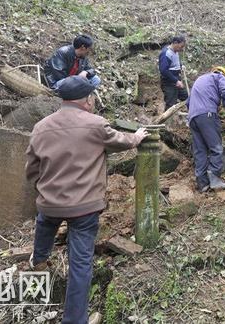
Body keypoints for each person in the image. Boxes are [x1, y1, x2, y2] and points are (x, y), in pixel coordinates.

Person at [25, 75, 148, 324]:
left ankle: (38, 260)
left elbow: (31, 170)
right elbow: (121, 141)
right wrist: (137, 136)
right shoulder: (96, 124)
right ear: (87, 100)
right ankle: (74, 320)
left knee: (45, 222)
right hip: (84, 206)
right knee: (80, 264)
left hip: (50, 201)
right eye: (92, 97)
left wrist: (45, 189)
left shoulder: (41, 127)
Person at [187, 66, 225, 192]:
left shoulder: (200, 79)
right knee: (216, 148)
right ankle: (215, 179)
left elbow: (188, 102)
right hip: (207, 115)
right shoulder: (219, 76)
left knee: (200, 151)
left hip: (193, 117)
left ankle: (202, 184)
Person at [159, 36, 188, 109]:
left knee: (187, 96)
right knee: (170, 105)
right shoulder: (166, 53)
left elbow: (174, 63)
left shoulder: (176, 51)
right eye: (181, 46)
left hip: (176, 79)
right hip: (169, 82)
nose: (182, 49)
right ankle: (168, 120)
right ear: (175, 43)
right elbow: (163, 70)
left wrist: (181, 67)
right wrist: (176, 81)